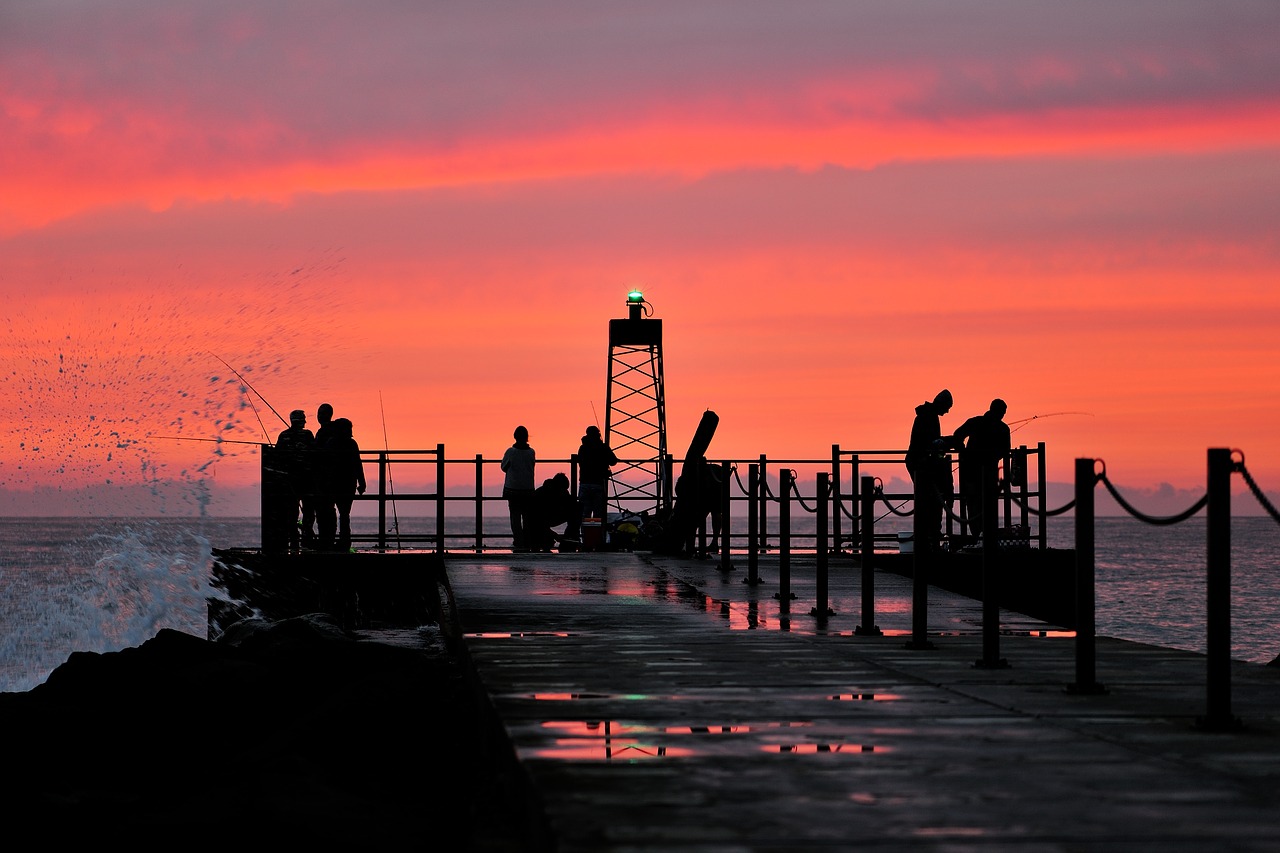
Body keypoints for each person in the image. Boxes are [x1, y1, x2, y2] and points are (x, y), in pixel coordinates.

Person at [905, 389, 959, 549]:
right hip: (920, 464)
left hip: (920, 462)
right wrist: (950, 442)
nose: (947, 411)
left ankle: (929, 536)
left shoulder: (927, 415)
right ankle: (929, 537)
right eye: (947, 407)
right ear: (941, 404)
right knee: (928, 501)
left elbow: (932, 441)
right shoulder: (927, 417)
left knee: (928, 500)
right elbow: (930, 442)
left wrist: (946, 441)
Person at [952, 398, 1012, 539]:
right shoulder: (1003, 429)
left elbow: (957, 435)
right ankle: (986, 537)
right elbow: (1005, 452)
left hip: (970, 471)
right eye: (1002, 413)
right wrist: (993, 456)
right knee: (988, 505)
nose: (1002, 416)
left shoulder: (975, 422)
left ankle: (976, 536)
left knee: (973, 505)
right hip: (989, 474)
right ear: (1000, 412)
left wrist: (964, 452)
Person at [321, 417, 366, 552]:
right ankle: (344, 542)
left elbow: (325, 464)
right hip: (348, 484)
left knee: (331, 513)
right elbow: (358, 465)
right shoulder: (352, 444)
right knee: (344, 514)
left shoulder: (331, 443)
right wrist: (362, 482)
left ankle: (330, 540)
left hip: (333, 484)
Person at [274, 409, 315, 551]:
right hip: (307, 481)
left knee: (291, 513)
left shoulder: (283, 435)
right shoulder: (308, 435)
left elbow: (277, 456)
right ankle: (306, 538)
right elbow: (314, 454)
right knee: (309, 511)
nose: (305, 421)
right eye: (304, 418)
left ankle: (294, 540)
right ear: (301, 421)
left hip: (289, 481)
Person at [501, 425, 536, 551]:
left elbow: (503, 467)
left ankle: (518, 541)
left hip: (513, 489)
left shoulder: (510, 452)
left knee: (515, 517)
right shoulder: (531, 452)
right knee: (526, 517)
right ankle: (527, 541)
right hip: (528, 489)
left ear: (515, 437)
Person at [528, 473, 582, 552]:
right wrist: (555, 535)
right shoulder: (542, 495)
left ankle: (567, 540)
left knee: (576, 509)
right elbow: (537, 520)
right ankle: (565, 541)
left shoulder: (545, 491)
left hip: (547, 516)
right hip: (540, 519)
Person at [576, 425, 618, 522]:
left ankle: (584, 534)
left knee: (584, 513)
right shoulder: (603, 447)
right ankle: (597, 534)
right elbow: (613, 461)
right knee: (598, 513)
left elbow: (580, 462)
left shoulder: (582, 448)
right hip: (598, 483)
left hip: (584, 483)